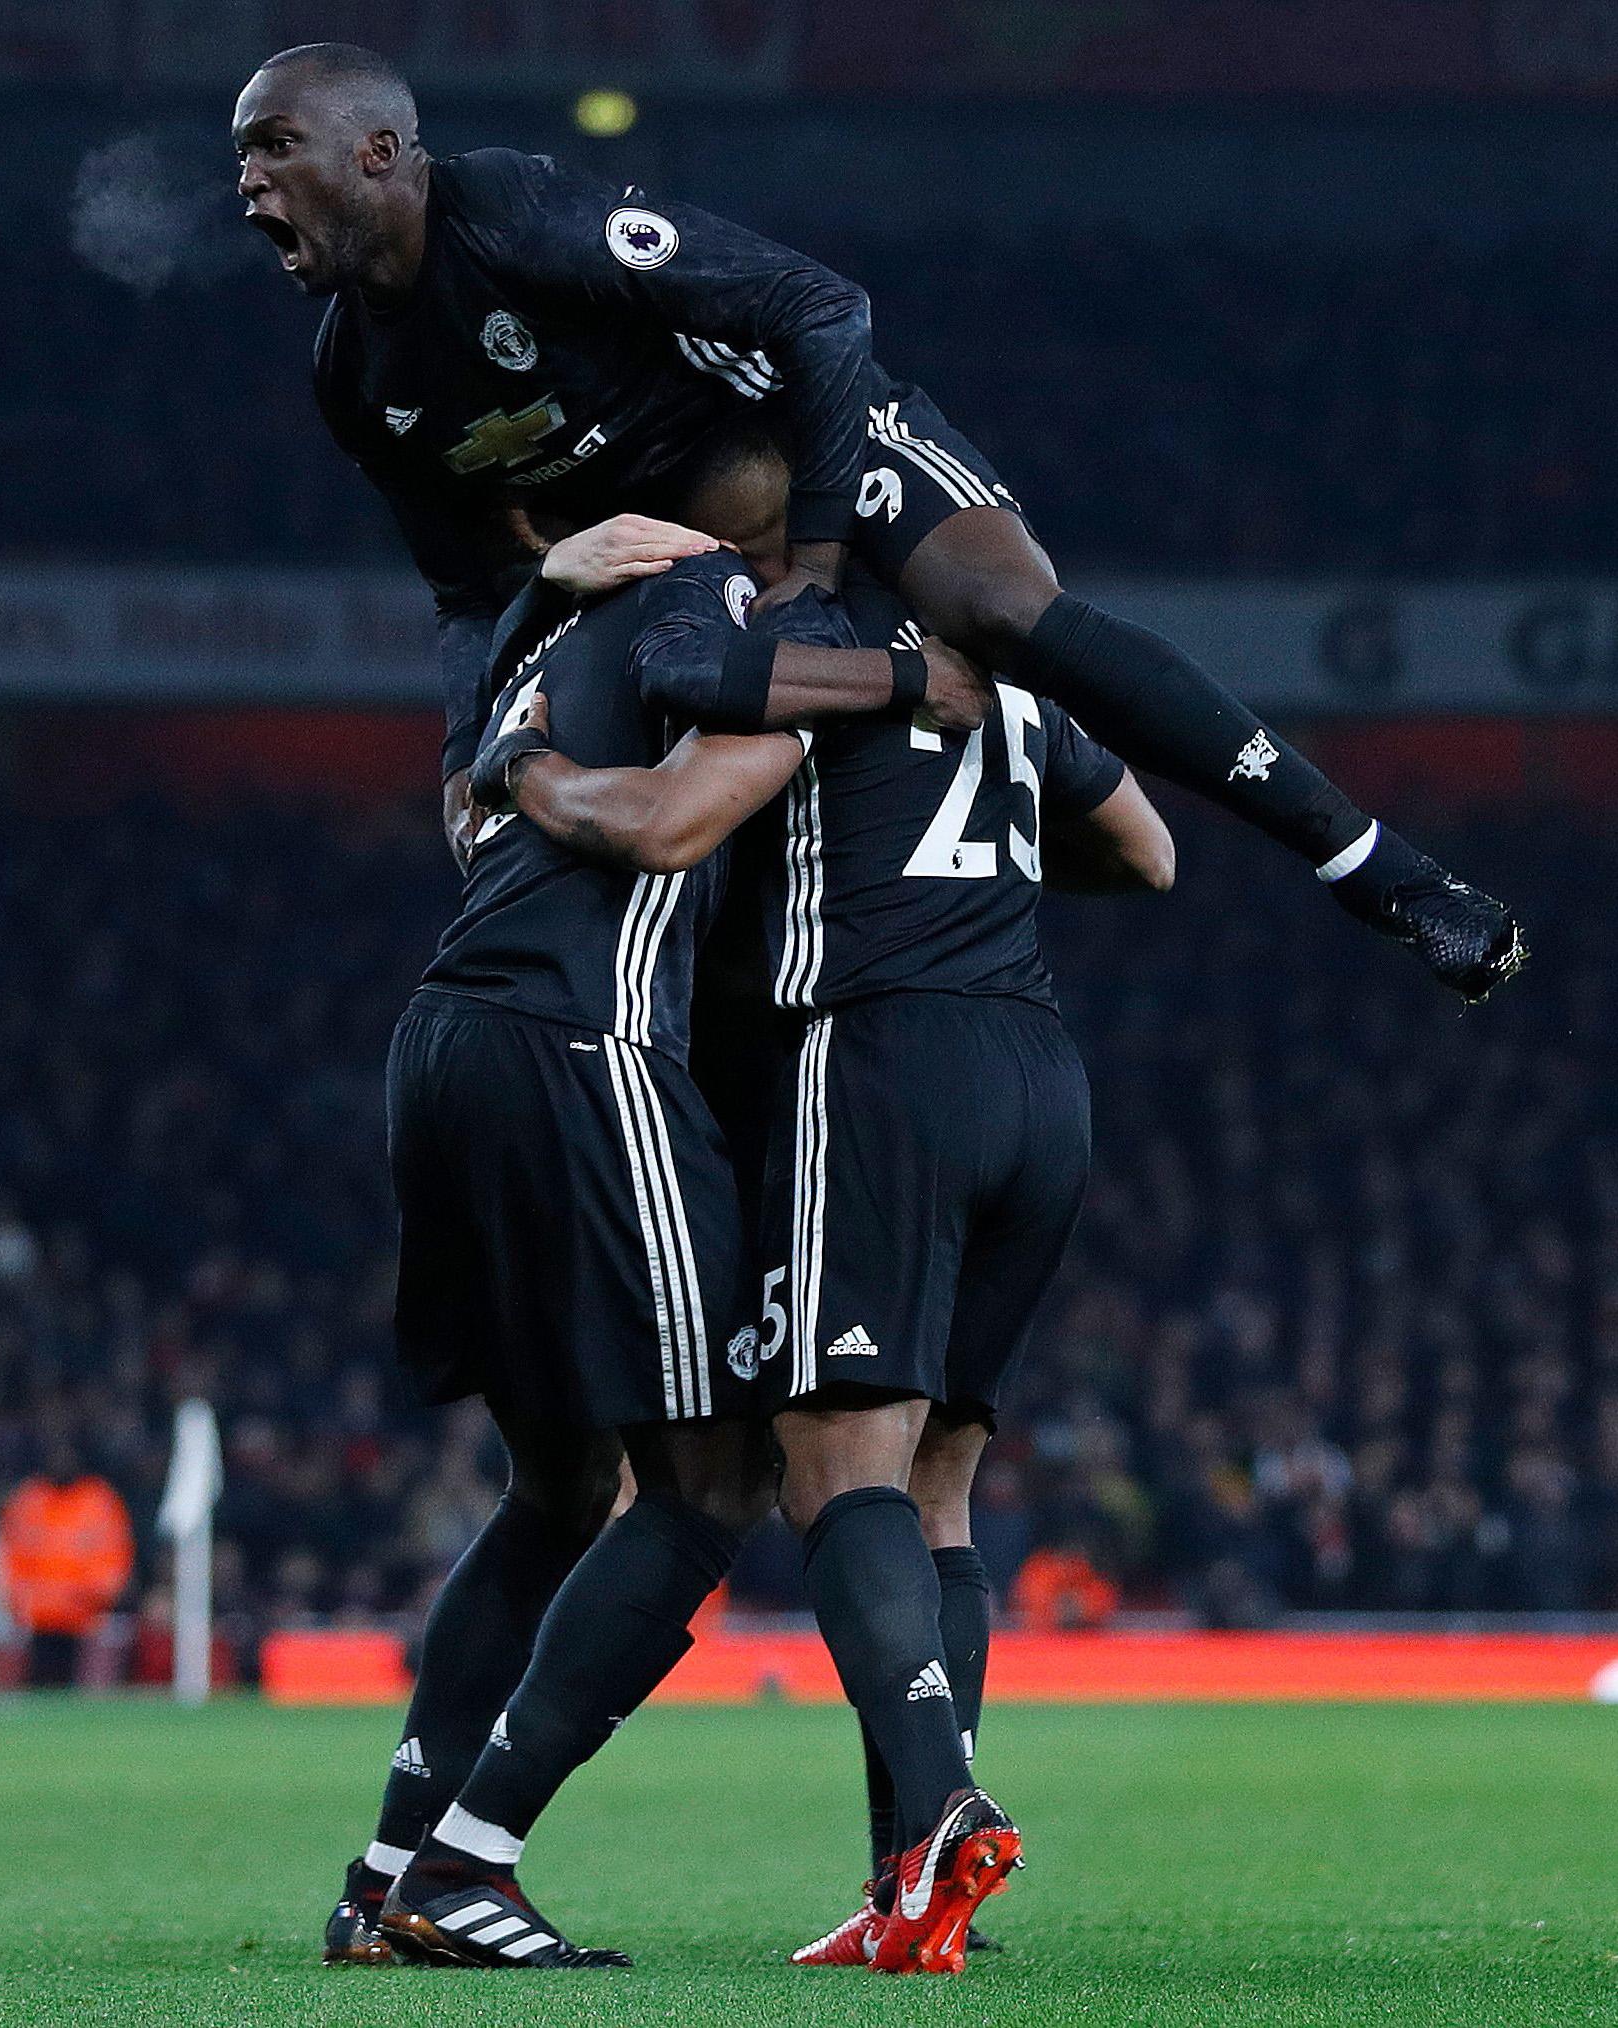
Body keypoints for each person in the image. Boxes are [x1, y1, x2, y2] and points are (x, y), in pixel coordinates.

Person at [232, 40, 1521, 1003]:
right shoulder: (357, 378)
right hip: (688, 576)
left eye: (271, 146)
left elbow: (823, 310)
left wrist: (820, 559)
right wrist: (465, 760)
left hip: (819, 457)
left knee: (1007, 616)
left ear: (379, 153)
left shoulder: (509, 210)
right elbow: (472, 592)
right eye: (240, 158)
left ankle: (1391, 876)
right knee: (664, 808)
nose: (247, 187)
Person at [388, 444, 1172, 1975]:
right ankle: (909, 1886)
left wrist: (524, 767)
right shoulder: (1012, 684)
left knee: (814, 1468)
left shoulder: (803, 661)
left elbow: (671, 822)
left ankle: (920, 1813)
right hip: (1040, 1070)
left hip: (874, 1063)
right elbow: (1147, 853)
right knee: (937, 1481)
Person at [0, 1449, 134, 1690]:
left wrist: (95, 1596)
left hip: (85, 1619)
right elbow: (12, 1556)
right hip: (38, 1619)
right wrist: (19, 1601)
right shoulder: (30, 1500)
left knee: (81, 1693)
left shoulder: (97, 1501)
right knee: (39, 1690)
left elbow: (113, 1558)